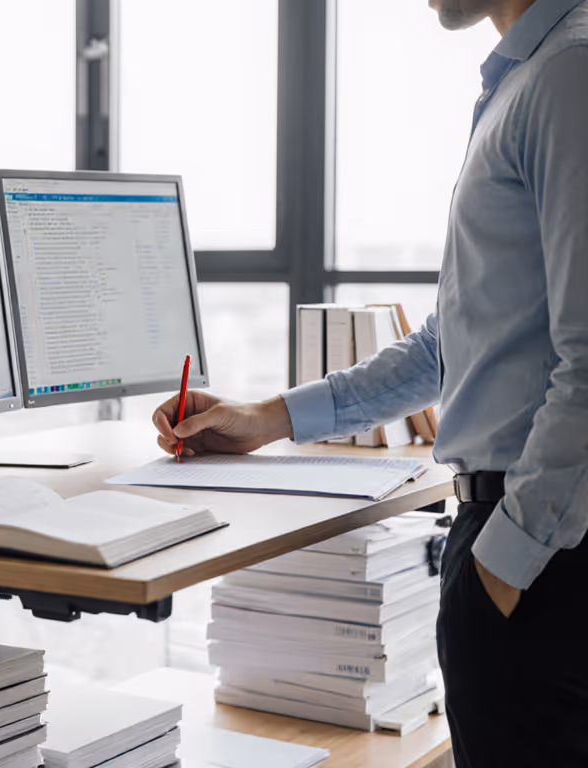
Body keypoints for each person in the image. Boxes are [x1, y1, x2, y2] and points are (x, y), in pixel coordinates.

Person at [153, 1, 588, 765]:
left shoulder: (566, 75)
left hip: (542, 566)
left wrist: (505, 564)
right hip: (518, 553)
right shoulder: (525, 79)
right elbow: (444, 346)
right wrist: (267, 416)